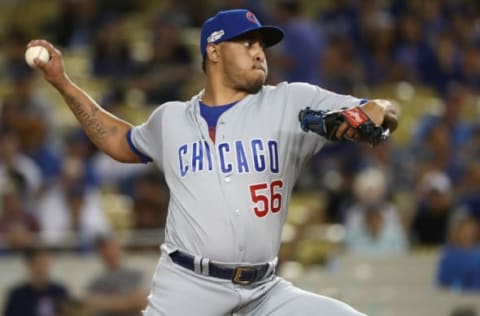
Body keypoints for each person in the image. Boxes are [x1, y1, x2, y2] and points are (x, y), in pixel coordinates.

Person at [28, 8, 398, 316]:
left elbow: (382, 110)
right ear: (214, 51)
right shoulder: (170, 120)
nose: (259, 52)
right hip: (188, 288)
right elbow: (117, 139)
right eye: (248, 42)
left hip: (265, 292)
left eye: (263, 45)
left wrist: (366, 118)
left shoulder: (290, 102)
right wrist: (62, 82)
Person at [84, 236, 147, 315]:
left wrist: (108, 303)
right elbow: (89, 302)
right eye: (105, 249)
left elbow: (140, 300)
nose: (109, 252)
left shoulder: (134, 274)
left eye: (112, 247)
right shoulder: (97, 280)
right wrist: (126, 303)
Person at [3, 247, 70, 316]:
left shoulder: (60, 291)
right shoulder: (17, 295)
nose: (42, 268)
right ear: (29, 265)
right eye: (38, 263)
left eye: (45, 263)